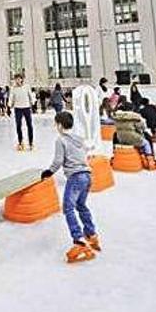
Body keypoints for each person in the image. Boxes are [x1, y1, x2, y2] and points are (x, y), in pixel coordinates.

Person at [41, 111, 99, 263]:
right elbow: (85, 152)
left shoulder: (61, 140)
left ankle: (79, 240)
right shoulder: (79, 139)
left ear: (59, 125)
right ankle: (91, 234)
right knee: (81, 205)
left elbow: (58, 160)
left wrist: (49, 172)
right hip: (87, 175)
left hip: (75, 177)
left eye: (56, 124)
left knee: (68, 208)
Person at [113, 103, 156, 170]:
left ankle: (114, 154)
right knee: (146, 143)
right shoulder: (135, 117)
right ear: (132, 109)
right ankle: (150, 159)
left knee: (115, 134)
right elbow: (142, 128)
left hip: (121, 139)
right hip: (133, 139)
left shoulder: (118, 118)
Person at [9, 74, 34, 151]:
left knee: (29, 125)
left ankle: (31, 142)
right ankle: (20, 142)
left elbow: (30, 95)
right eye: (16, 79)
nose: (17, 80)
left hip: (26, 108)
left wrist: (32, 103)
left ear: (21, 79)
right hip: (18, 108)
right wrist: (9, 105)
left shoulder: (26, 87)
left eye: (19, 79)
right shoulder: (13, 88)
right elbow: (11, 97)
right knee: (18, 125)